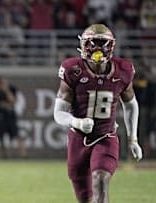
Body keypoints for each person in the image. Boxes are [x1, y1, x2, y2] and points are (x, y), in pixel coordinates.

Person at [53, 24, 143, 203]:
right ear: (83, 45)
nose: (97, 49)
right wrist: (77, 122)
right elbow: (58, 113)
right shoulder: (73, 70)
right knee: (85, 197)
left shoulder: (122, 70)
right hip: (78, 139)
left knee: (100, 180)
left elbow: (131, 104)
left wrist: (133, 138)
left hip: (106, 136)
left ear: (111, 46)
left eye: (102, 43)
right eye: (92, 43)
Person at [0, 76, 26, 158]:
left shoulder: (12, 88)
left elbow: (13, 101)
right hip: (1, 117)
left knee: (17, 134)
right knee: (1, 137)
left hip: (11, 116)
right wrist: (7, 105)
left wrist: (6, 91)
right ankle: (4, 156)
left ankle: (23, 155)